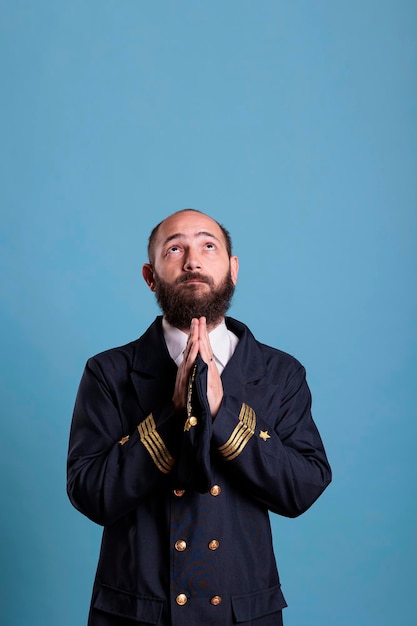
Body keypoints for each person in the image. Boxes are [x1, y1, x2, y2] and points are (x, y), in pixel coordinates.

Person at [67, 208, 331, 626]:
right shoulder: (108, 371)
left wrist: (223, 414)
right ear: (150, 276)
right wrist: (172, 415)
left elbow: (303, 488)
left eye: (209, 246)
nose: (193, 260)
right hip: (136, 613)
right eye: (175, 249)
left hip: (242, 615)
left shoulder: (281, 373)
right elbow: (90, 493)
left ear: (233, 268)